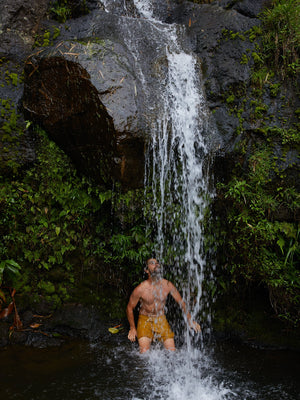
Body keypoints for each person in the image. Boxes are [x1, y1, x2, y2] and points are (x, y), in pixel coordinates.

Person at [126, 257, 201, 353]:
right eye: (152, 263)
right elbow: (129, 308)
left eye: (157, 263)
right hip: (145, 320)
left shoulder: (167, 285)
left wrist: (190, 320)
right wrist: (132, 328)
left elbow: (181, 302)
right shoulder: (140, 289)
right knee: (144, 354)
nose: (156, 264)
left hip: (160, 319)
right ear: (146, 270)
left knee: (172, 352)